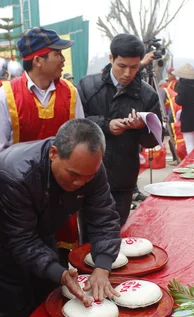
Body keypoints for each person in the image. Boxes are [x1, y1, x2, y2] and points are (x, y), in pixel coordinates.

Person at [0, 119, 121, 317]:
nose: (80, 183)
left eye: (88, 176)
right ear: (53, 153)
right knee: (18, 306)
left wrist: (102, 265)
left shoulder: (91, 168)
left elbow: (104, 216)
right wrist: (60, 273)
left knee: (50, 295)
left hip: (39, 226)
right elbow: (21, 240)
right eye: (73, 175)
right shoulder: (16, 174)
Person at [78, 33, 161, 225]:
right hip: (88, 173)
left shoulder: (147, 95)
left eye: (134, 67)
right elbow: (76, 125)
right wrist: (107, 126)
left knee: (117, 230)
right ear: (111, 59)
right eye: (121, 66)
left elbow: (154, 140)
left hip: (123, 177)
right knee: (88, 234)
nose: (127, 73)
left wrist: (142, 127)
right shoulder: (88, 86)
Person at [0, 27, 84, 157]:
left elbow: (79, 139)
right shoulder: (4, 96)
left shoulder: (70, 93)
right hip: (19, 175)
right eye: (57, 54)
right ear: (38, 61)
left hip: (61, 176)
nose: (63, 59)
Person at [174, 63, 194, 154]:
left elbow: (179, 101)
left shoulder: (182, 85)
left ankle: (191, 164)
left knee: (189, 144)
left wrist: (176, 97)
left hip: (188, 117)